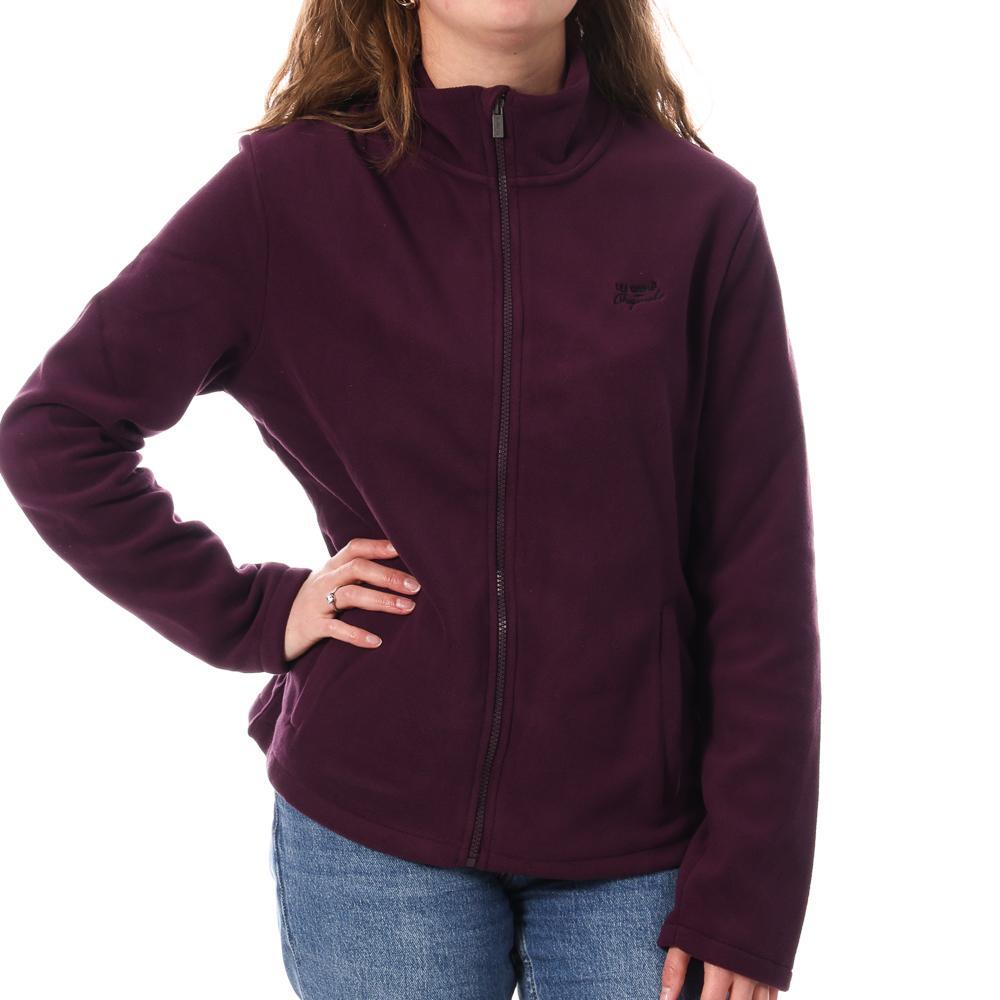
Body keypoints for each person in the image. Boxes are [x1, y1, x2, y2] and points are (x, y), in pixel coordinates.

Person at [0, 1, 821, 998]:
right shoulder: (288, 192)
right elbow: (56, 432)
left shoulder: (698, 211)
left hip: (640, 840)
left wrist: (752, 885)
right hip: (374, 834)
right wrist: (253, 612)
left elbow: (760, 566)